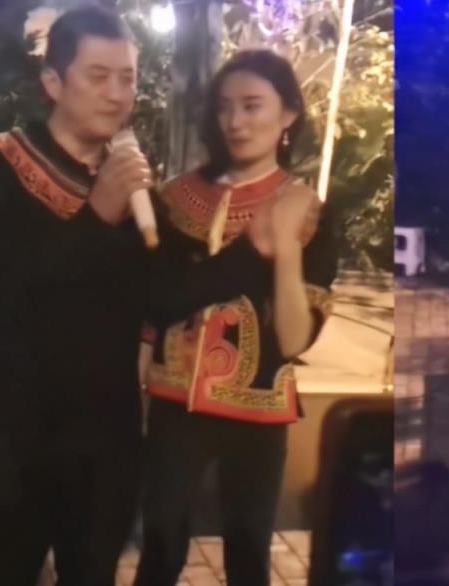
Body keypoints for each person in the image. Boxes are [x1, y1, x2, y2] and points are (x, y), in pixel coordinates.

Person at [0, 6, 158, 586]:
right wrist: (98, 214)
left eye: (128, 77)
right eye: (98, 76)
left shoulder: (133, 183)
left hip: (106, 442)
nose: (117, 93)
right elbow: (6, 290)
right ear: (52, 82)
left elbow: (154, 293)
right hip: (14, 437)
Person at [134, 50, 338, 586]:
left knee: (249, 549)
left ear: (287, 114)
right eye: (225, 107)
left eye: (252, 106)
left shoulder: (310, 212)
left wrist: (286, 249)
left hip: (260, 407)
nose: (236, 121)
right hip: (175, 400)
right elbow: (156, 301)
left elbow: (293, 340)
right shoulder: (175, 199)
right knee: (160, 540)